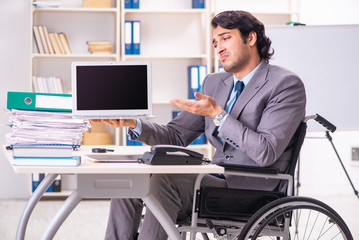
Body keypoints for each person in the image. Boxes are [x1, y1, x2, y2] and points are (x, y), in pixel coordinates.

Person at [96, 10, 306, 240]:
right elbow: (176, 136)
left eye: (226, 38)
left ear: (251, 38)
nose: (219, 48)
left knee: (163, 181)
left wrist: (219, 115)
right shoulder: (214, 82)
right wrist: (135, 124)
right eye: (215, 42)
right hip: (214, 180)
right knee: (131, 179)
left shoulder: (285, 84)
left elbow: (265, 151)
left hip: (254, 190)